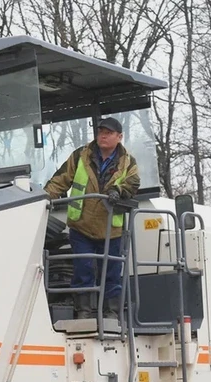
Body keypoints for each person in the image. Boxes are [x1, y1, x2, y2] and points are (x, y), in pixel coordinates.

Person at [43, 117, 140, 320]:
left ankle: (112, 313)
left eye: (108, 132)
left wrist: (118, 191)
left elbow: (133, 183)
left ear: (119, 137)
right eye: (100, 131)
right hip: (82, 226)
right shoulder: (81, 155)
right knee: (83, 268)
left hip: (111, 228)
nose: (103, 136)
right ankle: (84, 312)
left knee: (112, 272)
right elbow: (61, 179)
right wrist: (42, 199)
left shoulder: (128, 161)